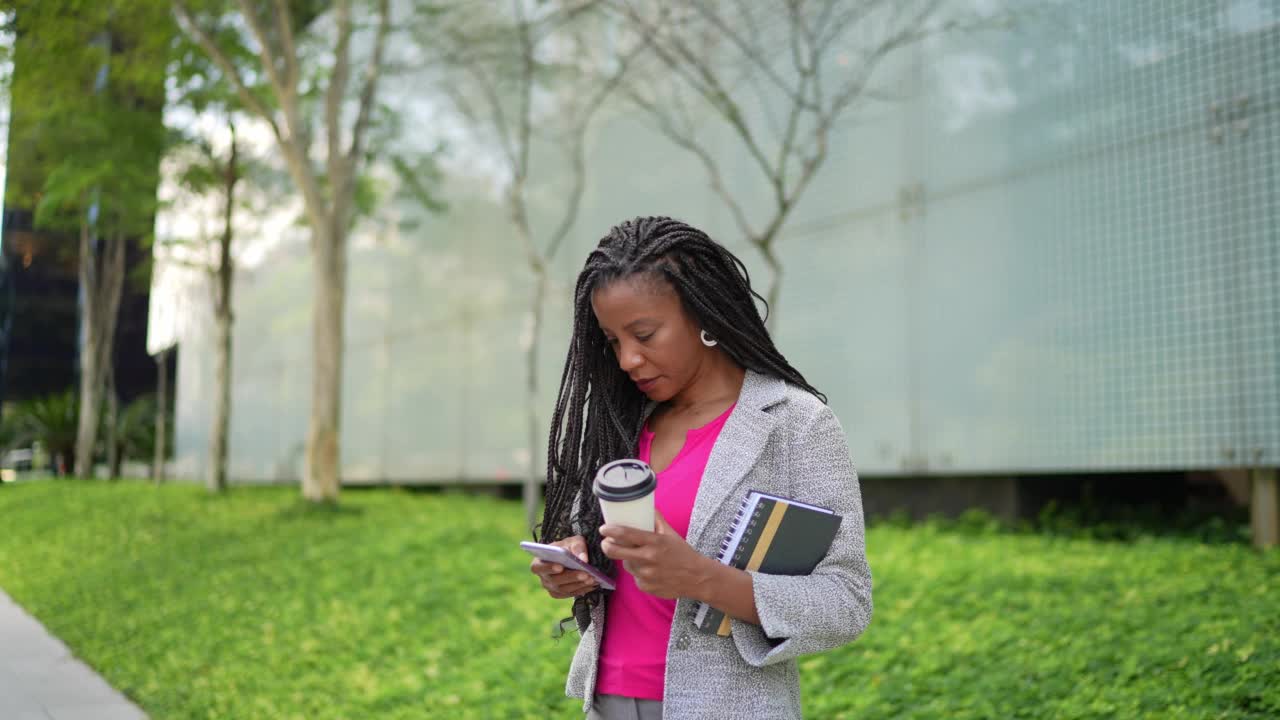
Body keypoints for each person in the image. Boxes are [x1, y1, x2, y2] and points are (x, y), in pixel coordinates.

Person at [530, 217, 872, 720]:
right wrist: (574, 560)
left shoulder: (795, 424)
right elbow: (603, 552)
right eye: (612, 341)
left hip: (726, 706)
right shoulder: (621, 425)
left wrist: (700, 577)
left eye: (644, 334)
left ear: (702, 312)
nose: (627, 359)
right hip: (606, 703)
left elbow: (845, 603)